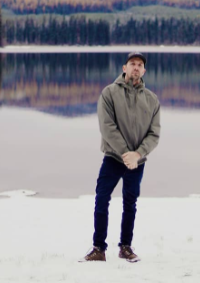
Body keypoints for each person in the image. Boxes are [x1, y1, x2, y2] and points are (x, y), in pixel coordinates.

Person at [82, 52, 161, 263]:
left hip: (138, 161)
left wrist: (137, 154)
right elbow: (107, 127)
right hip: (113, 158)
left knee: (130, 202)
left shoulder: (152, 100)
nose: (136, 67)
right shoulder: (109, 93)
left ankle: (125, 247)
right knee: (102, 198)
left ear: (144, 71)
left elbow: (154, 134)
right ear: (124, 68)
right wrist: (126, 153)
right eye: (132, 64)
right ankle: (98, 248)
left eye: (140, 65)